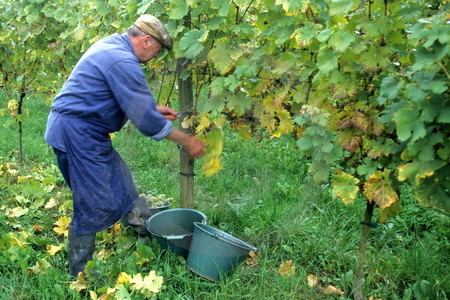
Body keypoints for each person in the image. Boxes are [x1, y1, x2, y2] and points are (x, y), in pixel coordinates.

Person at [44, 14, 206, 276]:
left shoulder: (112, 46)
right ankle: (81, 274)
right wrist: (187, 140)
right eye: (158, 50)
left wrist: (150, 109)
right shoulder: (121, 60)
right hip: (77, 134)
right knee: (92, 201)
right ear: (145, 40)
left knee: (122, 183)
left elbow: (111, 95)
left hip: (83, 131)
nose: (156, 56)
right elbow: (145, 121)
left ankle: (144, 239)